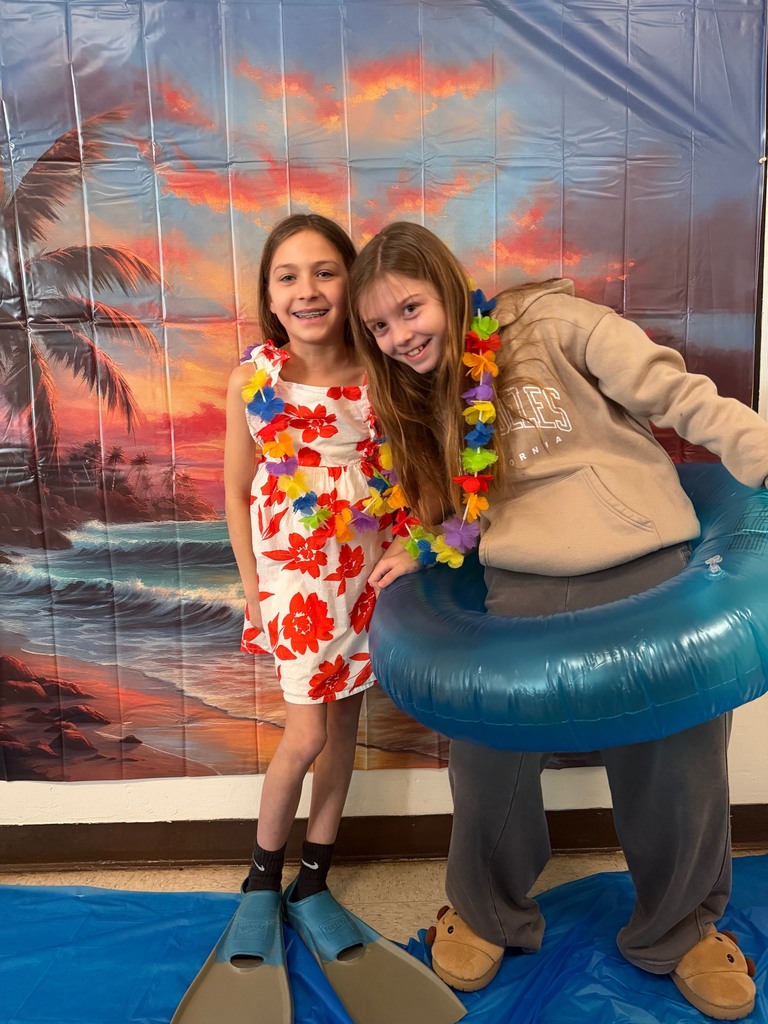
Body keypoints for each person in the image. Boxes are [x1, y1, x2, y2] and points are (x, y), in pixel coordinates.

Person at [348, 220, 768, 1020]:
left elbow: (680, 397)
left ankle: (680, 930)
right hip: (523, 581)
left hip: (647, 567)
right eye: (380, 326)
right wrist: (428, 547)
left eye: (410, 309)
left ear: (446, 287)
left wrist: (765, 453)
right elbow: (457, 507)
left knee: (676, 760)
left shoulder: (555, 325)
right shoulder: (420, 394)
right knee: (485, 761)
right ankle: (485, 912)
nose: (399, 335)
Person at [224, 213, 410, 908]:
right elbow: (237, 494)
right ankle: (261, 876)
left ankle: (315, 877)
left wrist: (406, 544)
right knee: (304, 734)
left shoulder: (383, 374)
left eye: (326, 272)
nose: (308, 290)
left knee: (343, 730)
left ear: (352, 284)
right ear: (270, 298)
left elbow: (411, 475)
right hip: (294, 582)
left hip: (364, 578)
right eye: (288, 276)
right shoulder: (254, 380)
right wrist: (253, 590)